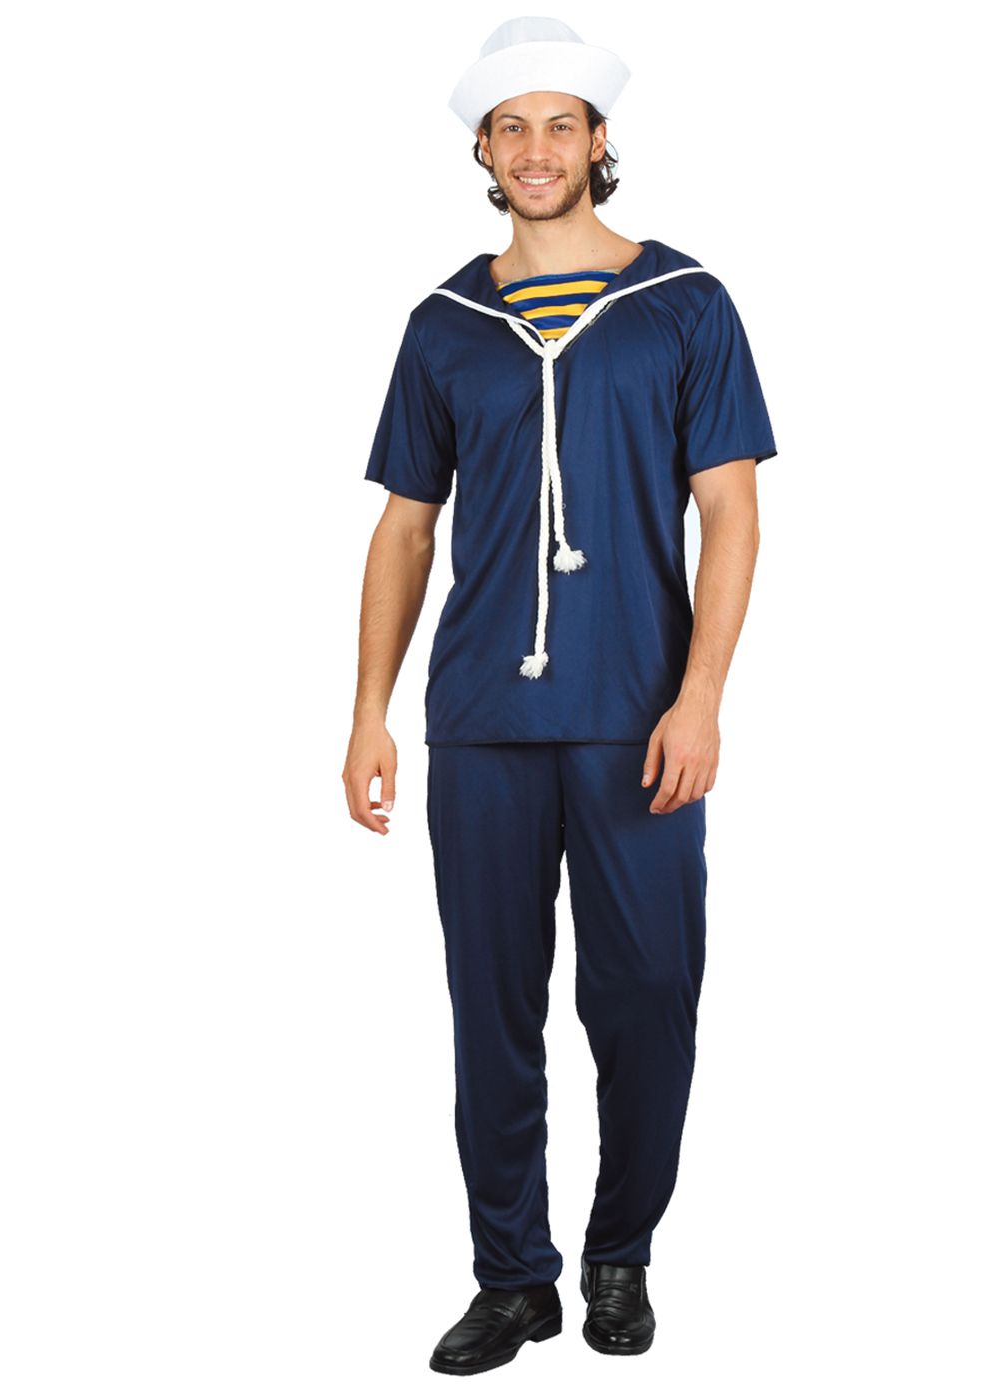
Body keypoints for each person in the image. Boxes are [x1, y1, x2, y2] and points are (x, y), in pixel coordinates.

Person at [343, 16, 778, 1376]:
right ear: (483, 150)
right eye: (511, 128)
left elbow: (731, 513)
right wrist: (368, 712)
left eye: (559, 125)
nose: (537, 150)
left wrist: (701, 698)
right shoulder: (444, 326)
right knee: (492, 1007)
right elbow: (405, 527)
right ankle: (512, 1276)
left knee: (647, 996)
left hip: (638, 713)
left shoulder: (685, 303)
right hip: (481, 718)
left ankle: (620, 1252)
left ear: (599, 142)